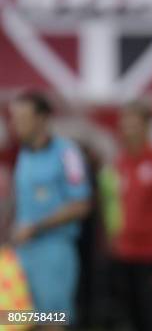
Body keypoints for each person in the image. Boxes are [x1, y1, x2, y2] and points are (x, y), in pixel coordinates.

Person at [98, 100, 152, 331]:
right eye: (124, 124)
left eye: (133, 124)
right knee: (132, 317)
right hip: (125, 253)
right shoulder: (119, 163)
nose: (127, 129)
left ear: (147, 126)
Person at [9, 91, 91, 330]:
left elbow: (81, 205)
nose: (16, 124)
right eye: (14, 118)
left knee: (53, 321)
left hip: (53, 253)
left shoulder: (67, 154)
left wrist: (35, 227)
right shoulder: (24, 155)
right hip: (22, 254)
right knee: (16, 320)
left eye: (23, 117)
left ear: (43, 118)